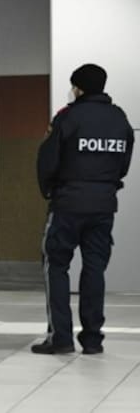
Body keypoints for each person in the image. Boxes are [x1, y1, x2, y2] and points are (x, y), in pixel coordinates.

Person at [33, 63, 134, 355]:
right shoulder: (119, 119)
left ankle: (60, 337)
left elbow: (47, 158)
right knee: (94, 269)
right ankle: (92, 339)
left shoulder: (68, 117)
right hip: (104, 206)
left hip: (67, 204)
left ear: (78, 88)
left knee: (56, 266)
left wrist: (49, 190)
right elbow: (124, 163)